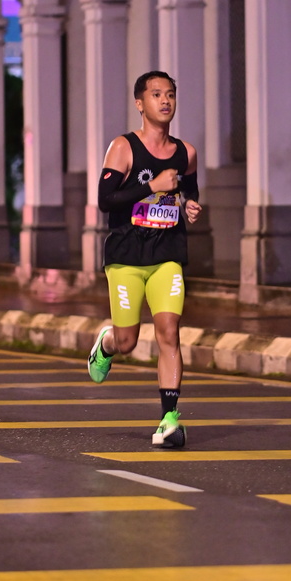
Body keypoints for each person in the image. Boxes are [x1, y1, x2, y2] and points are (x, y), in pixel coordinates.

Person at [87, 70, 202, 448]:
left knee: (169, 331)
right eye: (156, 95)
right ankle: (107, 343)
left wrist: (191, 205)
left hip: (167, 253)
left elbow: (189, 191)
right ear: (140, 103)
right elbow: (105, 200)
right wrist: (151, 186)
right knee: (128, 342)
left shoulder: (186, 153)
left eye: (170, 94)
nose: (165, 101)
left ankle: (169, 419)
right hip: (126, 256)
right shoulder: (123, 147)